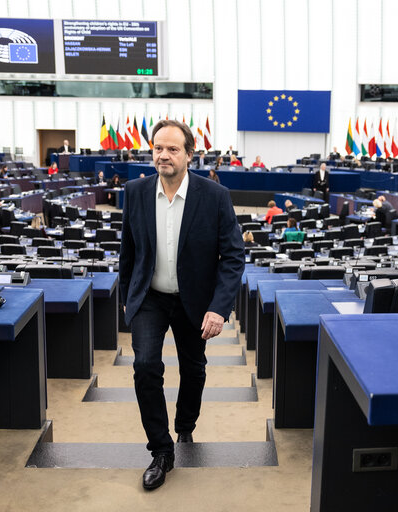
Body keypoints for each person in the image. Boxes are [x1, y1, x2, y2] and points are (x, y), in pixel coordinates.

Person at [119, 119, 244, 490]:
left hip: (196, 301)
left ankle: (185, 426)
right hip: (150, 298)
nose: (163, 155)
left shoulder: (214, 196)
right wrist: (128, 298)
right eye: (158, 148)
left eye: (173, 149)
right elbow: (128, 253)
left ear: (190, 154)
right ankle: (161, 450)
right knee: (144, 366)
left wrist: (219, 308)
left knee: (194, 370)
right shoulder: (136, 191)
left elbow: (233, 256)